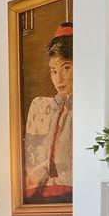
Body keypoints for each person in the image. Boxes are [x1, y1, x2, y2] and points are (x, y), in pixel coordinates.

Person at [23, 25, 74, 204]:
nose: (58, 78)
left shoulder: (83, 111)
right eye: (53, 71)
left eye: (66, 68)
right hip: (50, 192)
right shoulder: (49, 108)